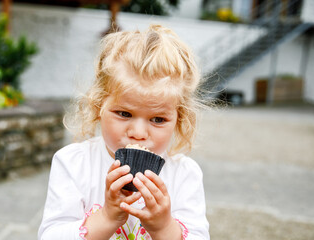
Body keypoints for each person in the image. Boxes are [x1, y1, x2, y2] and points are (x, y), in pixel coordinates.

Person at [38, 24, 210, 240]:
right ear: (98, 106)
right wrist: (107, 218)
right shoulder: (73, 163)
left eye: (157, 119)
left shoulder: (184, 174)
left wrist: (164, 228)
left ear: (179, 120)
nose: (138, 133)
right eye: (124, 113)